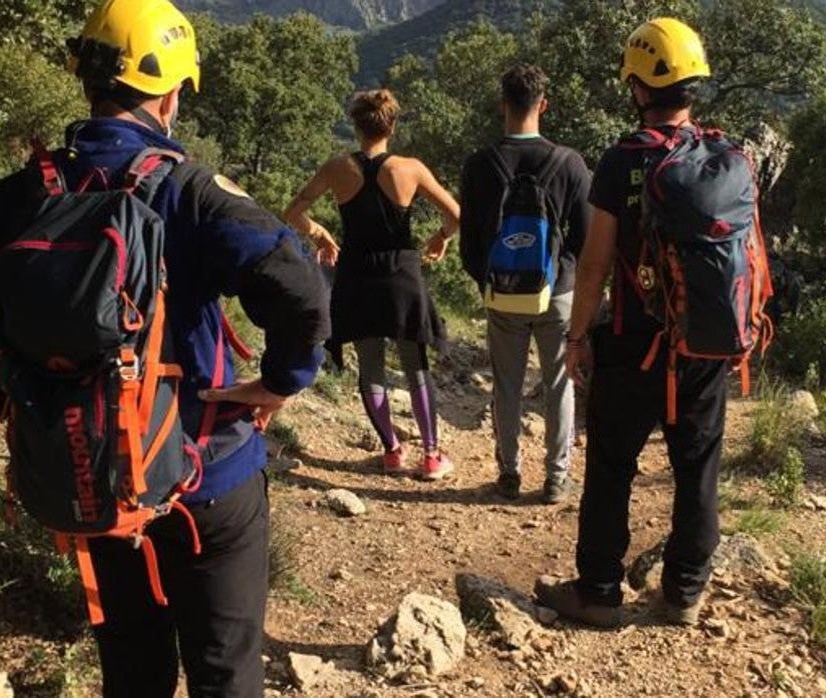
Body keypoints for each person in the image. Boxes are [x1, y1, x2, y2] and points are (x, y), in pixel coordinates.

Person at [0, 0, 331, 694]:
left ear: (86, 82)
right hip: (205, 474)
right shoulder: (189, 190)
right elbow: (299, 283)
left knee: (132, 666)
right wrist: (281, 380)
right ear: (172, 93)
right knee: (225, 669)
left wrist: (7, 401)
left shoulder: (24, 193)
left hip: (89, 474)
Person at [535, 18, 730, 628]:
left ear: (639, 86)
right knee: (697, 468)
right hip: (704, 345)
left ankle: (597, 591)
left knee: (613, 466)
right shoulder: (724, 158)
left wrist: (575, 338)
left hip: (634, 344)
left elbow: (593, 264)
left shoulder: (624, 161)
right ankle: (684, 593)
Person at [285, 89, 460, 481]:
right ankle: (431, 456)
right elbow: (455, 214)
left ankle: (392, 451)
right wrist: (441, 238)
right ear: (392, 126)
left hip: (358, 274)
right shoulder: (409, 169)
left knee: (370, 366)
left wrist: (320, 235)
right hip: (402, 274)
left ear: (356, 125)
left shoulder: (336, 168)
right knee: (416, 366)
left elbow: (294, 211)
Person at [459, 65, 592, 504]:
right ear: (544, 105)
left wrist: (491, 280)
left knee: (507, 385)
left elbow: (470, 243)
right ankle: (556, 479)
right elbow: (585, 236)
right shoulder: (570, 163)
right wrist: (563, 271)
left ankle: (509, 474)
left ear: (503, 105)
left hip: (502, 293)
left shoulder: (480, 164)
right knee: (558, 382)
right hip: (557, 293)